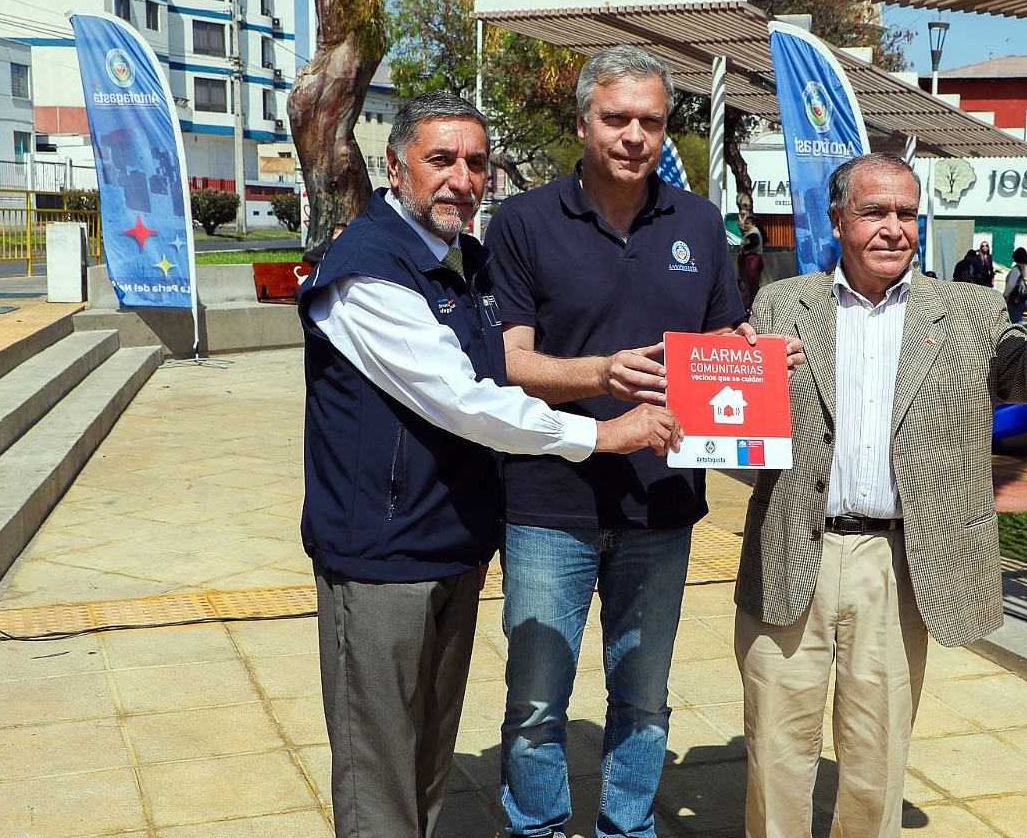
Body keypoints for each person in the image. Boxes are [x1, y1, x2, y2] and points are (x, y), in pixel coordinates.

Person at [296, 92, 681, 838]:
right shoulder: (367, 271)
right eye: (440, 160)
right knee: (378, 779)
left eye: (476, 163)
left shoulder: (464, 262)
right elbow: (465, 401)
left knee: (427, 766)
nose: (462, 179)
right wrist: (602, 435)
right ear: (394, 165)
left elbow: (500, 369)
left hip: (452, 549)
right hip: (379, 560)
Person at [486, 45, 801, 838]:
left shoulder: (697, 221)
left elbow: (718, 334)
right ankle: (536, 827)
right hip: (547, 500)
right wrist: (599, 371)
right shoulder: (522, 221)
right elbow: (508, 363)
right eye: (616, 118)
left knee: (644, 698)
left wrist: (756, 358)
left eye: (651, 121)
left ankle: (627, 828)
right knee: (535, 702)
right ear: (582, 121)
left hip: (661, 500)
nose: (634, 136)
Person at [737, 153, 1027, 838]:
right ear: (837, 219)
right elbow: (738, 419)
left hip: (898, 565)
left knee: (875, 763)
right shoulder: (781, 304)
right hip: (790, 553)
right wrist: (737, 365)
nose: (893, 227)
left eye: (906, 212)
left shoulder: (970, 311)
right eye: (874, 211)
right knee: (774, 754)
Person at [739, 209, 766, 306]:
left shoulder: (754, 232)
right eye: (745, 224)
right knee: (752, 283)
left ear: (753, 224)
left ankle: (754, 303)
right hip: (753, 259)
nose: (745, 226)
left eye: (747, 224)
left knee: (753, 283)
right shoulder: (751, 232)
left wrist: (745, 248)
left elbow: (754, 242)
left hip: (753, 259)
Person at [1003, 246, 1027, 324]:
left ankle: (1018, 332)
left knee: (1016, 320)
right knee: (1018, 317)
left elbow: (1011, 285)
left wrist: (1005, 295)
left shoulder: (1017, 269)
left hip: (1016, 298)